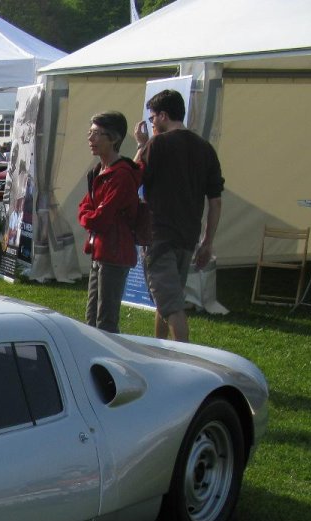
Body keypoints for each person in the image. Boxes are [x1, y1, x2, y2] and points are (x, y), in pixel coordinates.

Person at [133, 88, 224, 342]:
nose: (151, 124)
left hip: (158, 234)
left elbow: (130, 178)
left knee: (171, 304)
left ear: (163, 115)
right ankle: (160, 347)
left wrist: (141, 146)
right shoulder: (206, 149)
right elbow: (215, 201)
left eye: (152, 118)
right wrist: (207, 241)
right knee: (167, 298)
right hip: (188, 235)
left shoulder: (157, 144)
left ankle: (185, 355)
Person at [77, 111, 142, 333]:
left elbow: (101, 219)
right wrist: (89, 216)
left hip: (115, 253)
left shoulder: (121, 175)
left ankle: (109, 364)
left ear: (113, 139)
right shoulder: (98, 171)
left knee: (106, 321)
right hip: (99, 251)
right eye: (90, 133)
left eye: (96, 134)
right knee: (91, 318)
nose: (90, 139)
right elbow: (85, 206)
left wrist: (88, 217)